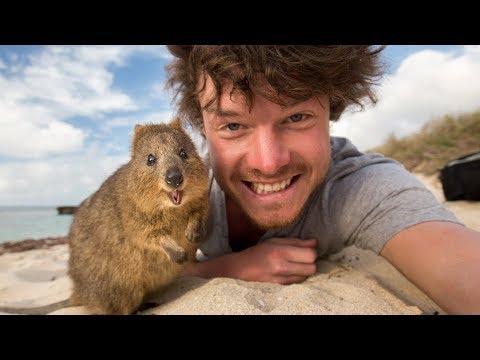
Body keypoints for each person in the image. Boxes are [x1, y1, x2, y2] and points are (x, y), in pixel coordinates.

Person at [165, 45, 480, 314]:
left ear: (331, 108)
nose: (269, 163)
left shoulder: (359, 186)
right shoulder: (180, 191)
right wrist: (225, 269)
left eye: (297, 117)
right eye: (233, 126)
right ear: (203, 127)